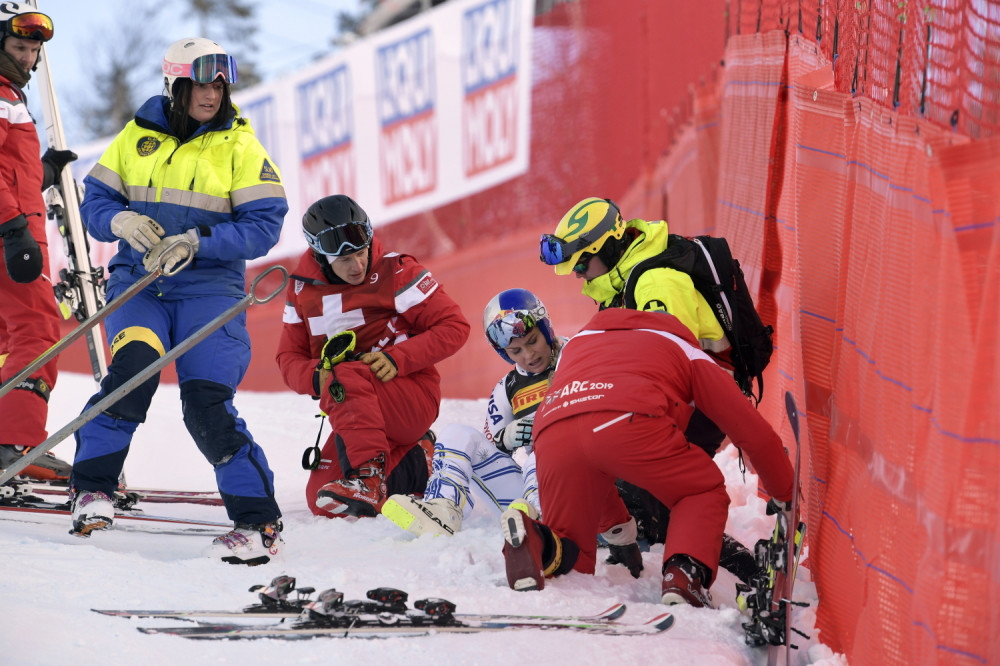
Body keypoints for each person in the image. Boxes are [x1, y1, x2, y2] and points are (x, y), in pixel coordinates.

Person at [68, 37, 286, 565]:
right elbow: (95, 197)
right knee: (133, 375)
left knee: (207, 403)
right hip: (140, 282)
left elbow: (265, 225)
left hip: (208, 290)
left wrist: (199, 242)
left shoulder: (240, 147)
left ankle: (257, 520)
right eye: (200, 84)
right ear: (175, 86)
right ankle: (93, 489)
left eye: (219, 84)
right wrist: (117, 220)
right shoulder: (136, 137)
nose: (212, 94)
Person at [500, 308, 795, 607]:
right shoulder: (683, 347)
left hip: (552, 430)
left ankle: (542, 544)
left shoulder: (576, 344)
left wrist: (621, 536)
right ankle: (683, 575)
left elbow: (591, 464)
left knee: (573, 551)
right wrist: (784, 492)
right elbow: (750, 429)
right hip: (628, 418)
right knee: (698, 490)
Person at [380, 288, 645, 575]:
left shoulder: (578, 353)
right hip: (531, 490)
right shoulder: (507, 388)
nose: (529, 355)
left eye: (533, 341)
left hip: (587, 489)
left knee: (548, 446)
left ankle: (536, 527)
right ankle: (444, 508)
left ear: (546, 328)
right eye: (515, 350)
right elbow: (490, 442)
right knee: (457, 433)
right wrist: (506, 437)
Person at [275, 194, 470, 519]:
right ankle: (416, 462)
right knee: (323, 503)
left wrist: (397, 358)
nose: (357, 265)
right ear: (321, 257)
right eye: (344, 260)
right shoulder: (300, 291)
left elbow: (454, 327)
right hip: (354, 406)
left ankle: (369, 478)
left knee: (345, 374)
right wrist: (315, 377)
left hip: (410, 395)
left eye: (361, 252)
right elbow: (287, 358)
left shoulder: (397, 270)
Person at [0, 5, 77, 482]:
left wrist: (44, 171)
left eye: (34, 51)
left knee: (9, 336)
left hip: (16, 224)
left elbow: (11, 169)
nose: (28, 58)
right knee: (38, 330)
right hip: (13, 232)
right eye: (18, 48)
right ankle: (15, 444)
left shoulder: (12, 96)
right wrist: (12, 230)